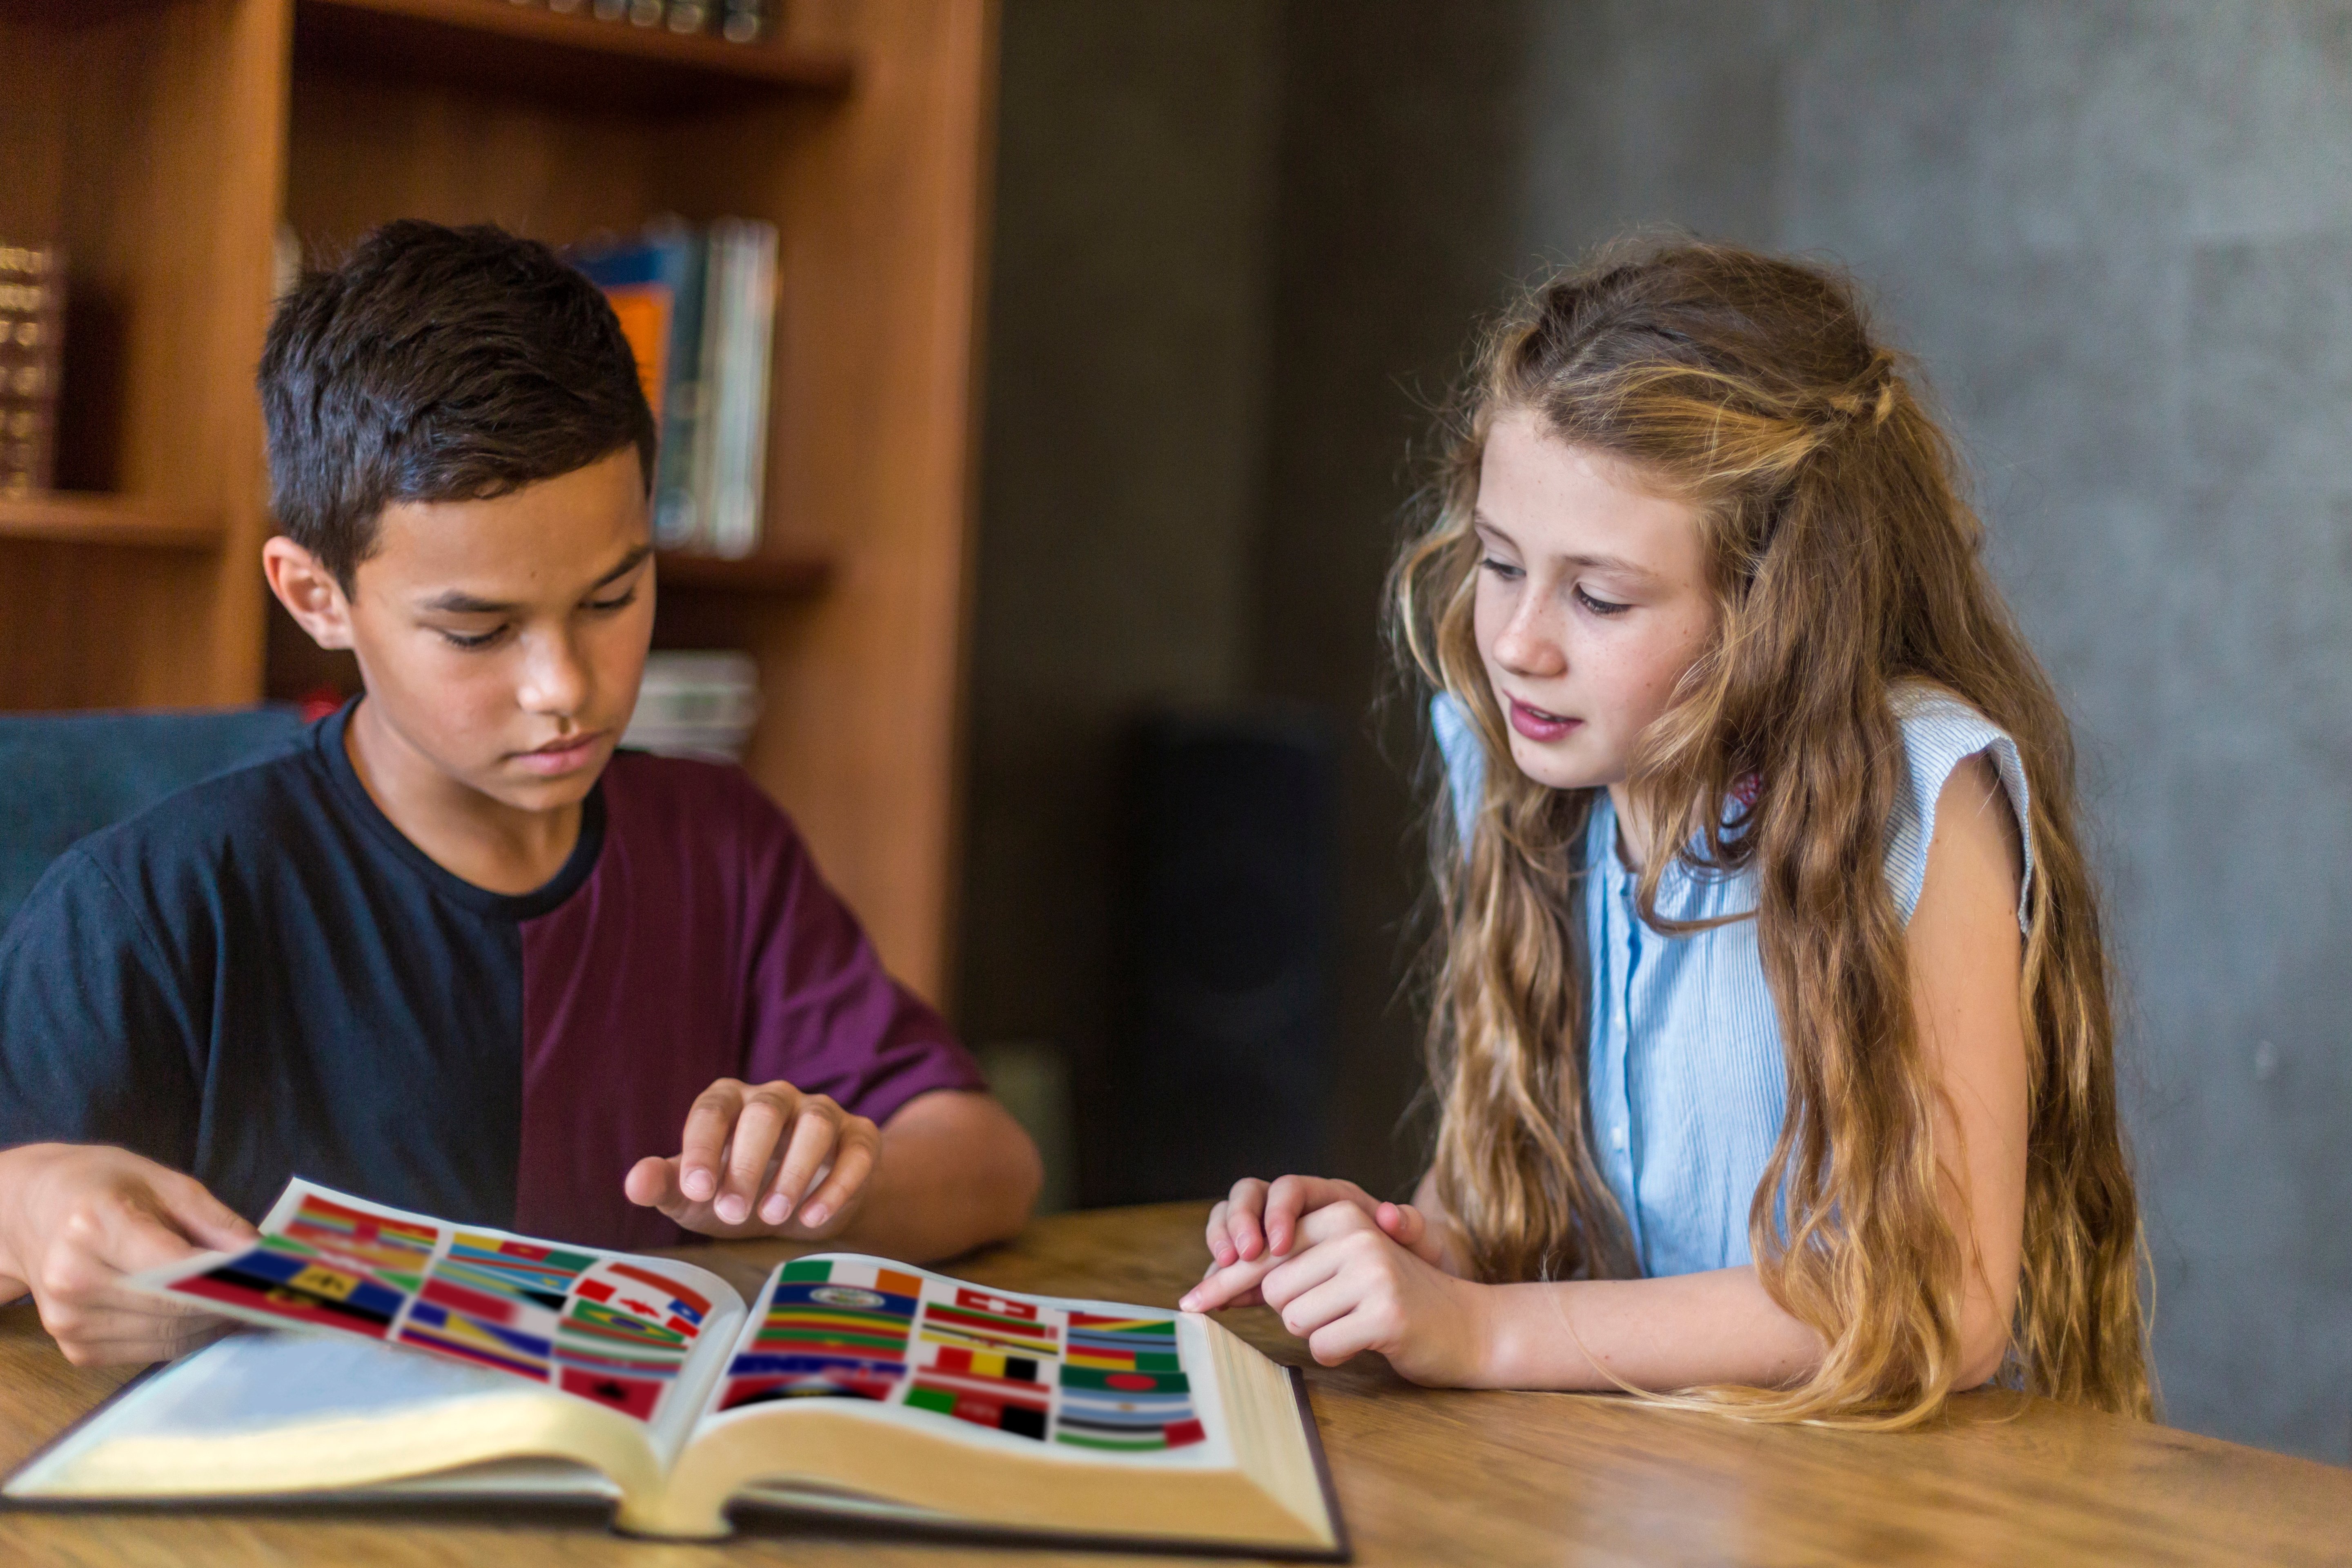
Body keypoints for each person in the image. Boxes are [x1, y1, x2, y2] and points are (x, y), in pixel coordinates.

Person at [0, 221, 1041, 1368]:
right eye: (478, 629)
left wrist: (833, 1185)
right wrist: (32, 1200)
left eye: (614, 595)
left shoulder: (718, 846)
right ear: (316, 596)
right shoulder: (152, 903)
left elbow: (990, 1159)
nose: (567, 689)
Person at [1182, 240, 2149, 1423]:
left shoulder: (1913, 790)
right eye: (1498, 563)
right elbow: (1523, 1189)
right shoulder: (1523, 753)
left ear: (1777, 611)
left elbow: (1943, 1299)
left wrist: (1486, 1332)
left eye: (1600, 596)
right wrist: (1413, 1246)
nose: (1520, 642)